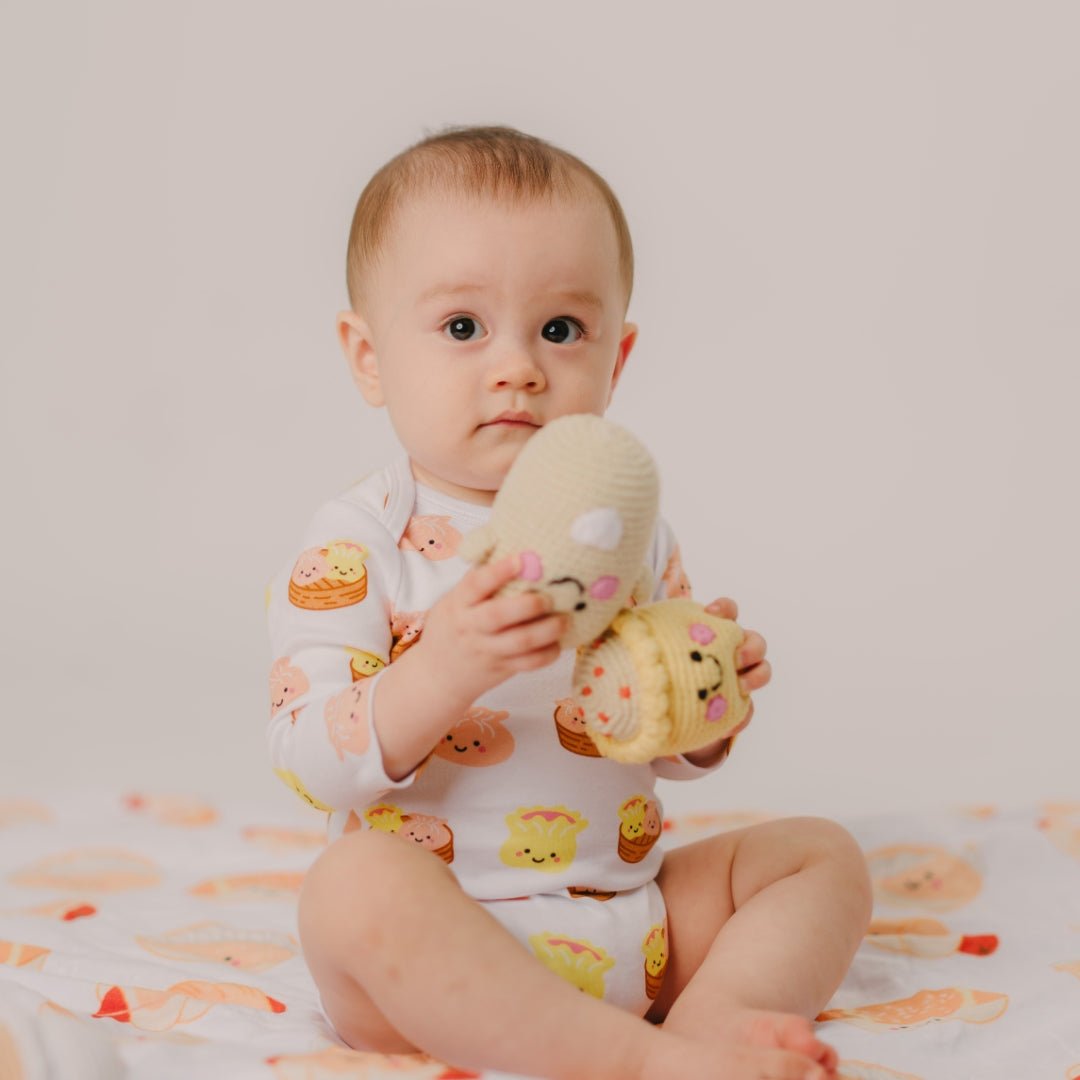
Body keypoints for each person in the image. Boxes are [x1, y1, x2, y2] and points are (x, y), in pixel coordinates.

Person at [266, 124, 872, 1080]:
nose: (519, 367)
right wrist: (452, 660)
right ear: (369, 354)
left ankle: (720, 1016)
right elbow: (310, 760)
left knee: (820, 857)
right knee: (349, 889)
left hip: (633, 925)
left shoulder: (628, 529)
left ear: (616, 358)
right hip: (438, 962)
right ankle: (635, 1064)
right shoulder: (359, 542)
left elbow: (656, 748)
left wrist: (705, 699)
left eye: (560, 330)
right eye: (463, 328)